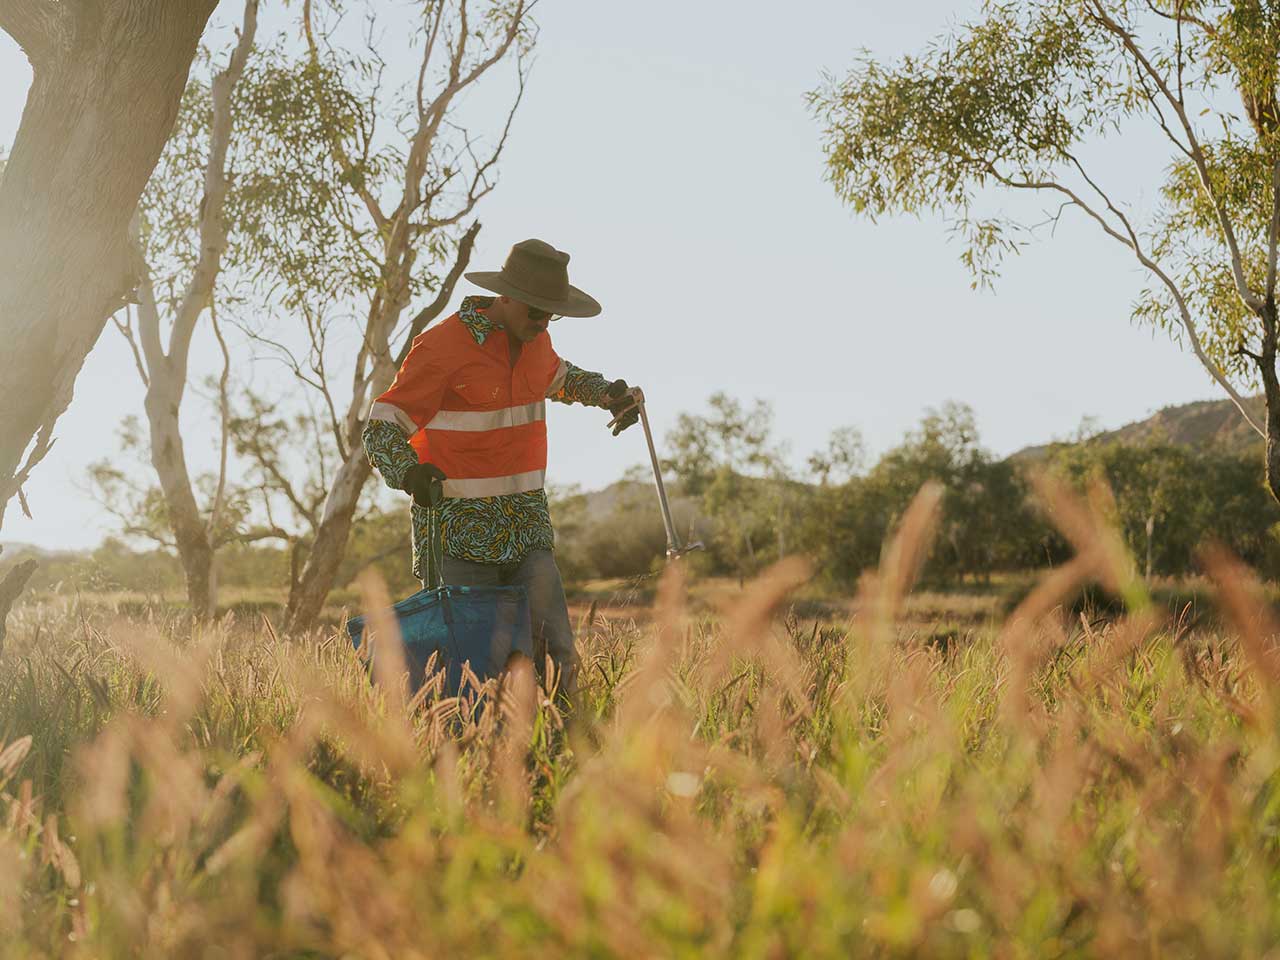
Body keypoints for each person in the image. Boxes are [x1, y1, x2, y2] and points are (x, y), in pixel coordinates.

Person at [361, 238, 638, 696]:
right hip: (460, 536)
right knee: (475, 669)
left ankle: (564, 742)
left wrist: (608, 394)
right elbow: (381, 427)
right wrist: (409, 473)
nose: (544, 321)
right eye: (537, 311)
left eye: (552, 314)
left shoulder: (536, 339)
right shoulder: (442, 346)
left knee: (557, 655)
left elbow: (561, 378)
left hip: (528, 529)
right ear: (505, 297)